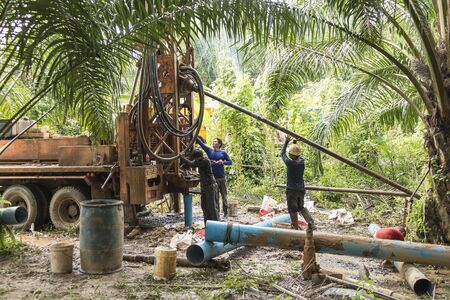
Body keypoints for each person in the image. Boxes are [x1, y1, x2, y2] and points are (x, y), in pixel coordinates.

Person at [281, 135, 314, 230]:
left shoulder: (290, 163)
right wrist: (294, 142)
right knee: (301, 207)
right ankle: (311, 223)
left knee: (292, 209)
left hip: (292, 190)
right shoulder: (302, 162)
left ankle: (295, 227)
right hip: (301, 189)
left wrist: (287, 141)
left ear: (291, 155)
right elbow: (294, 154)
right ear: (299, 155)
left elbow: (282, 154)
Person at [180, 149, 218, 225]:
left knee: (212, 207)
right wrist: (183, 163)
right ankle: (207, 225)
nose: (195, 159)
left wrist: (182, 157)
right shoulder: (199, 161)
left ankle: (216, 225)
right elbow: (191, 163)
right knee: (204, 206)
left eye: (195, 158)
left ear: (198, 157)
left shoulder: (205, 161)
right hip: (204, 186)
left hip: (210, 185)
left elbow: (192, 164)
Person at [197, 137, 232, 217]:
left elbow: (230, 162)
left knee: (224, 195)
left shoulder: (223, 153)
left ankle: (226, 213)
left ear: (219, 144)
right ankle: (217, 213)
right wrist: (195, 135)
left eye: (215, 142)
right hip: (214, 178)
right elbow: (201, 144)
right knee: (215, 197)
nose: (213, 143)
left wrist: (223, 162)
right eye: (213, 141)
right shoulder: (210, 151)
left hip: (222, 177)